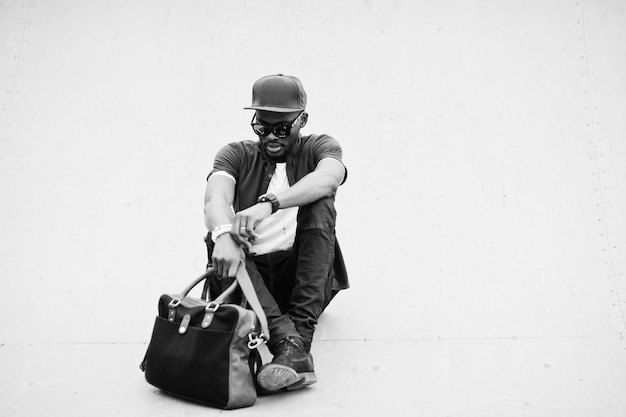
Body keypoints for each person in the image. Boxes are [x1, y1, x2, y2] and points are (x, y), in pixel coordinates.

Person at [203, 74, 349, 394]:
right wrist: (224, 235)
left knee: (320, 200)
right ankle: (290, 344)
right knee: (218, 233)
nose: (271, 135)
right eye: (262, 126)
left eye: (281, 128)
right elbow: (215, 198)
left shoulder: (320, 147)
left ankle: (298, 338)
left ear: (302, 120)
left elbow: (328, 179)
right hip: (250, 284)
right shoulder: (236, 154)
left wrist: (267, 205)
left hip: (301, 278)